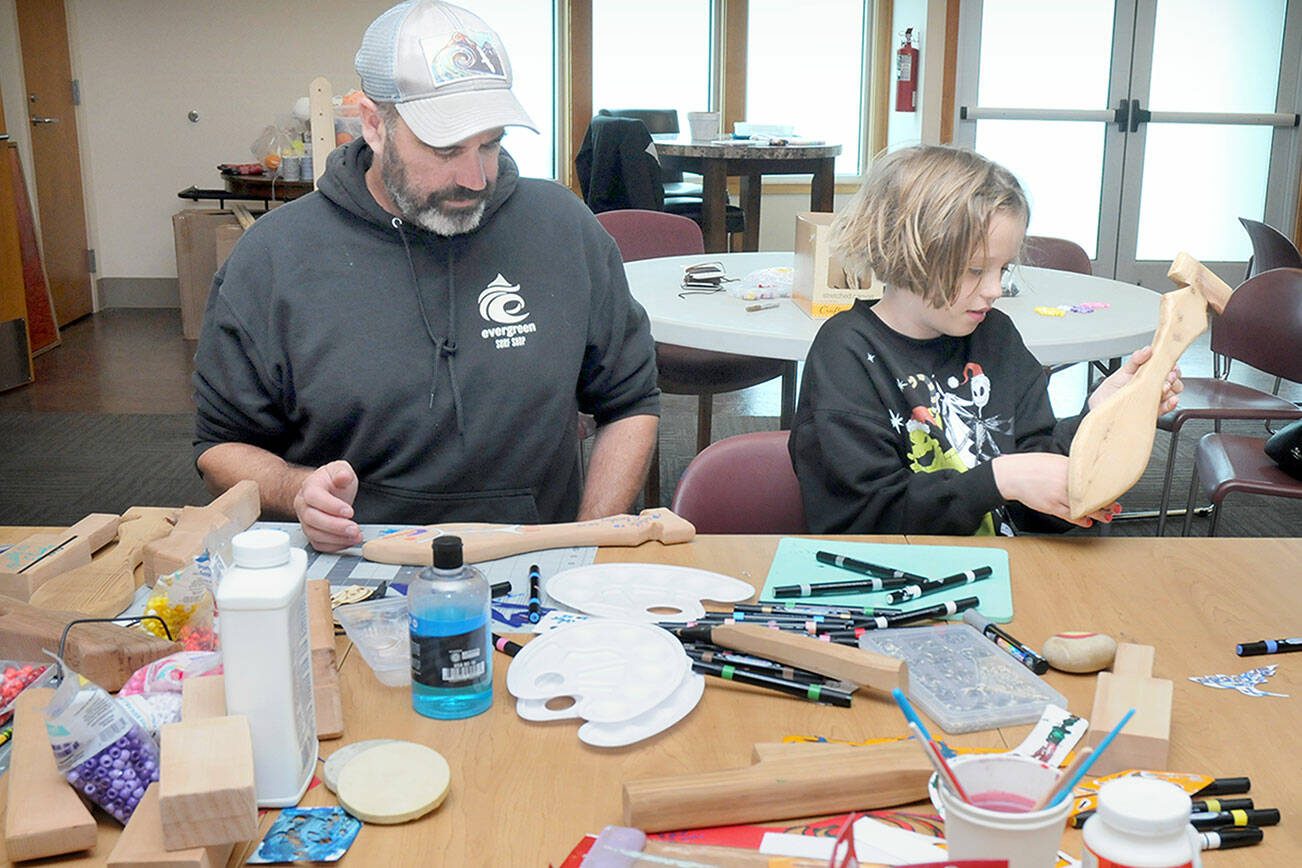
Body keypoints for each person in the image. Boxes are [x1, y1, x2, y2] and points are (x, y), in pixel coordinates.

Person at [192, 0, 659, 552]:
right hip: (353, 568)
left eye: (491, 143)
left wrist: (583, 546)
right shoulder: (274, 257)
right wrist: (297, 489)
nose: (475, 177)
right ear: (373, 124)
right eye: (444, 148)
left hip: (537, 558)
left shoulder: (563, 229)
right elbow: (220, 445)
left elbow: (629, 402)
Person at [788, 145, 1182, 535]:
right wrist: (999, 479)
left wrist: (1099, 418)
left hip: (997, 575)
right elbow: (862, 520)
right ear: (907, 253)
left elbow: (1037, 501)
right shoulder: (847, 354)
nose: (995, 289)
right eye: (975, 270)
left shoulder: (996, 337)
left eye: (1003, 268)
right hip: (901, 584)